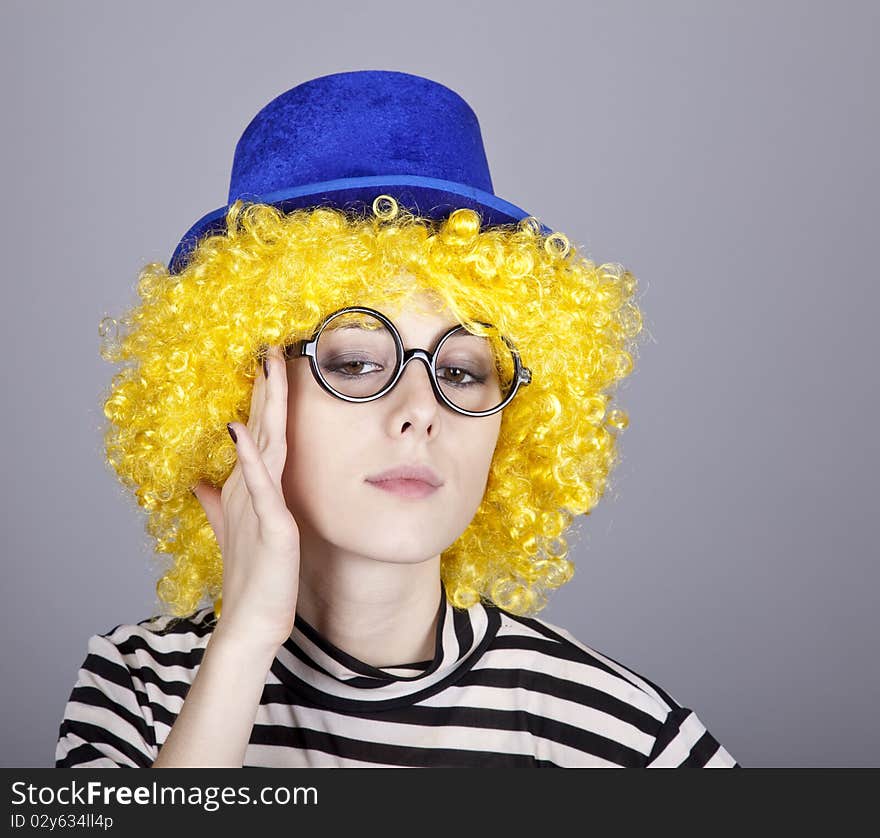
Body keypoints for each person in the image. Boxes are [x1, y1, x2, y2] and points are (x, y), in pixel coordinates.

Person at [55, 70, 740, 768]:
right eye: (354, 363)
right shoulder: (140, 690)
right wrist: (246, 642)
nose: (420, 412)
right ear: (243, 394)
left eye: (462, 372)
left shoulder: (627, 738)